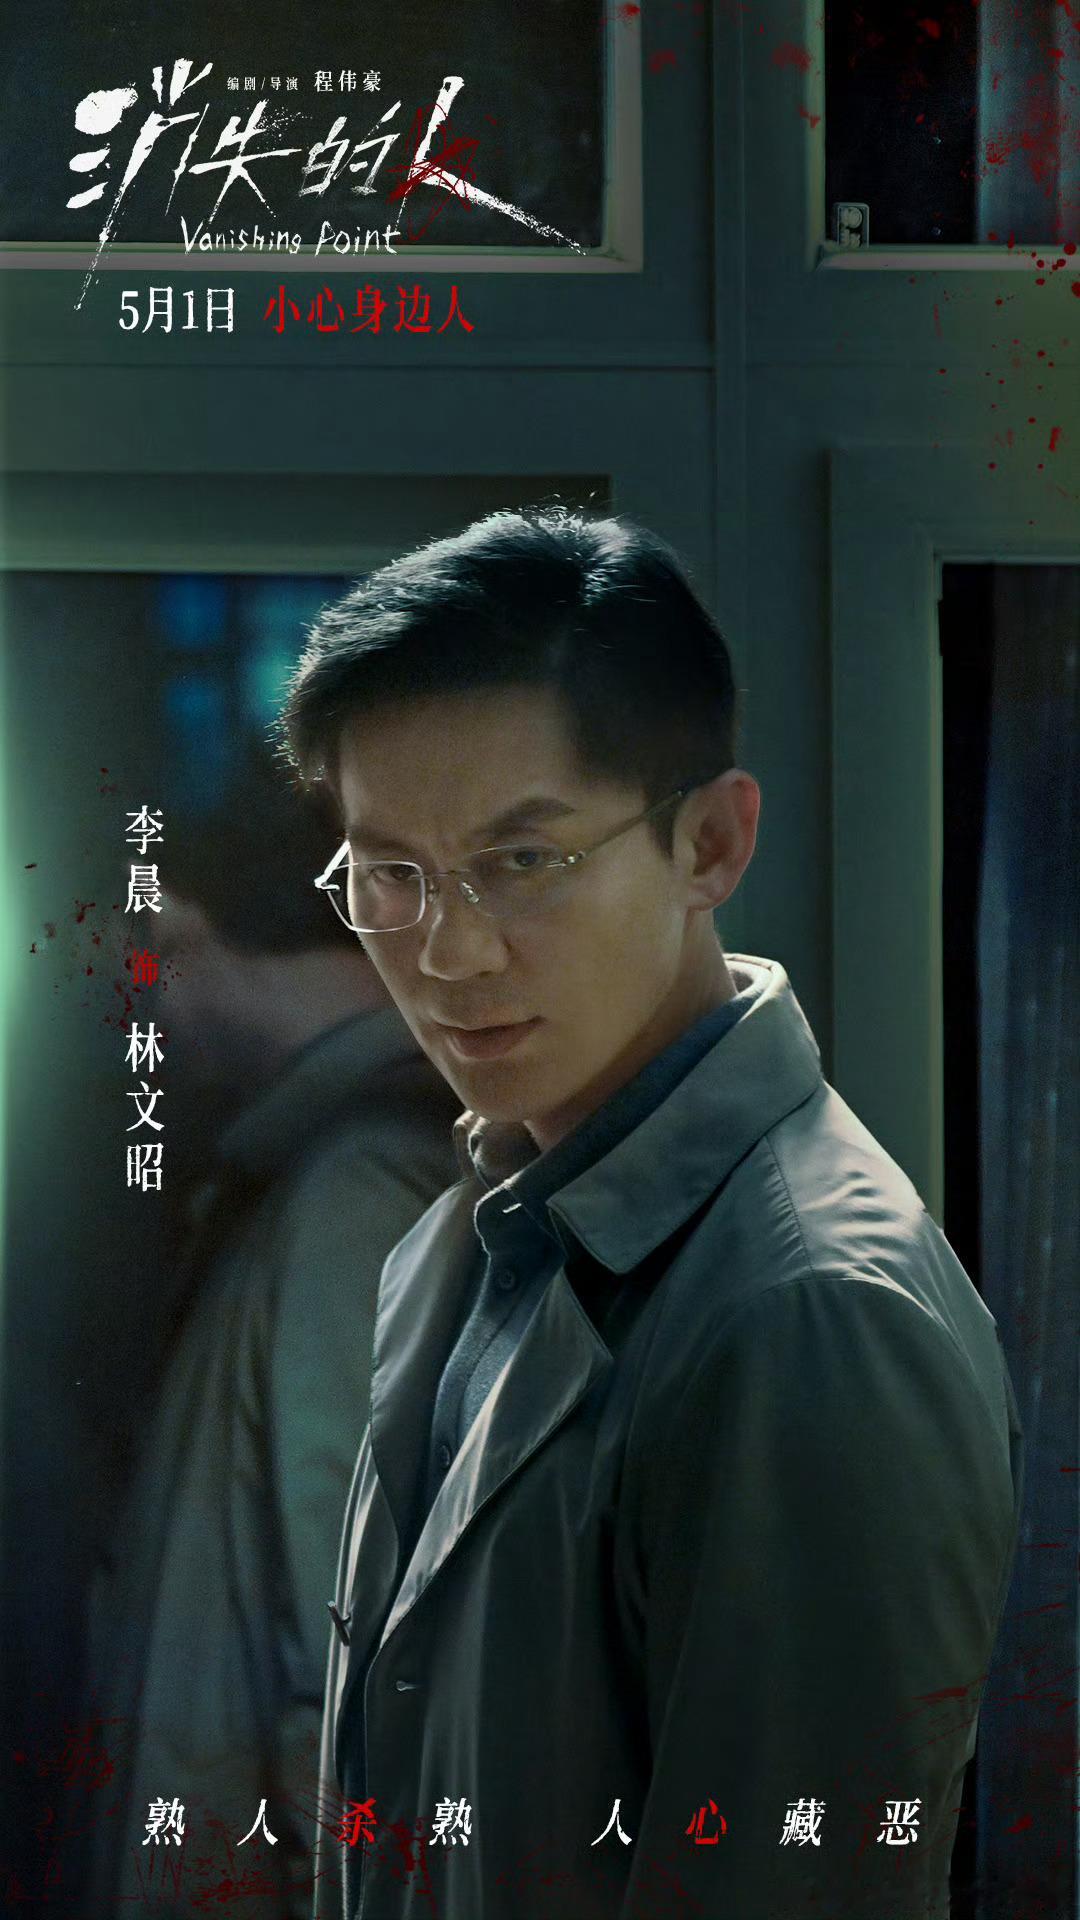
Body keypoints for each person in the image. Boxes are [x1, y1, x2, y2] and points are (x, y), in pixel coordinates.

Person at [278, 507, 1024, 1920]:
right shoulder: (476, 1226)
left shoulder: (809, 1317)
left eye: (523, 861)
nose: (449, 951)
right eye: (391, 876)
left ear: (711, 844)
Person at [82, 888, 460, 1920]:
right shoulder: (327, 1179)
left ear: (176, 938)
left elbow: (356, 1711)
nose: (129, 1032)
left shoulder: (358, 1194)